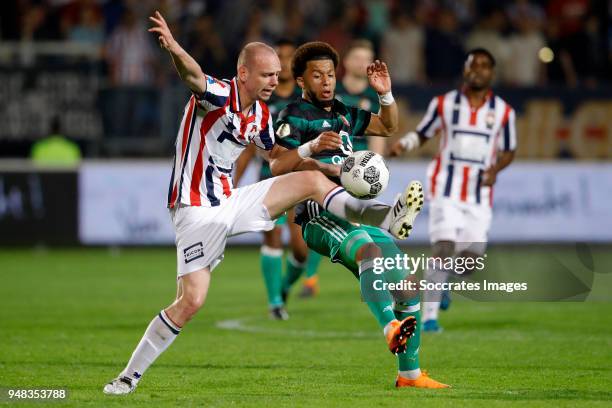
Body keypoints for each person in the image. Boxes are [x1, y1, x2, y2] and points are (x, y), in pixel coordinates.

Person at [103, 12, 425, 395]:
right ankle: (128, 376)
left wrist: (312, 156)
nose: (275, 81)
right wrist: (174, 48)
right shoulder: (219, 94)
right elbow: (191, 75)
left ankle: (386, 217)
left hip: (231, 199)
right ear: (243, 74)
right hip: (195, 209)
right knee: (191, 301)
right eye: (267, 75)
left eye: (277, 74)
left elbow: (277, 162)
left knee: (307, 180)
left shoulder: (260, 116)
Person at [271, 41, 448, 388]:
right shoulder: (293, 115)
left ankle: (410, 375)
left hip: (355, 211)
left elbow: (387, 126)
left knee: (408, 290)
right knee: (370, 251)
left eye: (331, 74)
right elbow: (277, 164)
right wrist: (311, 149)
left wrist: (385, 95)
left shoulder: (343, 112)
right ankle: (389, 327)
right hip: (318, 213)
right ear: (302, 80)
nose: (327, 81)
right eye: (318, 75)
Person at [390, 48, 517, 332]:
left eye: (485, 66)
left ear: (492, 73)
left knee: (471, 260)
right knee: (443, 248)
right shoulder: (445, 104)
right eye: (474, 65)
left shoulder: (504, 113)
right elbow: (423, 132)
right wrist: (405, 145)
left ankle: (443, 282)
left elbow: (509, 150)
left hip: (479, 194)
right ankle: (429, 318)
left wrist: (495, 170)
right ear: (465, 70)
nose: (478, 70)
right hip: (445, 188)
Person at [233, 39, 306, 320]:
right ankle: (275, 302)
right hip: (269, 180)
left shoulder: (303, 100)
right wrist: (234, 182)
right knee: (272, 238)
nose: (285, 63)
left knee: (300, 250)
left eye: (289, 57)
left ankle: (284, 287)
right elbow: (250, 148)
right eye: (281, 57)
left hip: (299, 181)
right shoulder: (262, 100)